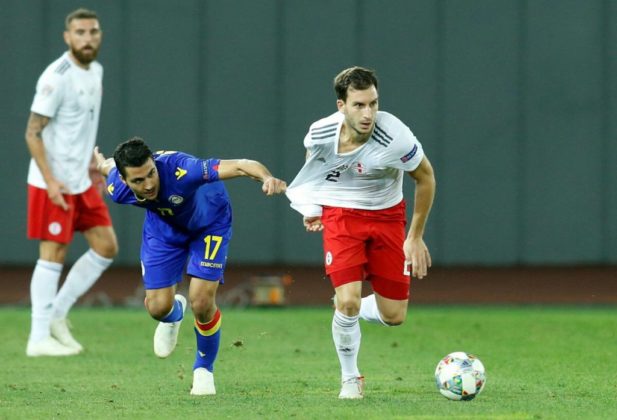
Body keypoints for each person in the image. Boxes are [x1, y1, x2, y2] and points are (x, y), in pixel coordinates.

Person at [286, 66, 436, 399]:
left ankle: (347, 306)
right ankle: (350, 377)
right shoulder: (320, 132)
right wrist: (314, 205)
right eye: (359, 105)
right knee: (349, 300)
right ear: (341, 106)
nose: (368, 114)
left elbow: (426, 178)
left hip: (387, 216)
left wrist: (414, 236)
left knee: (393, 316)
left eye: (373, 104)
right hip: (341, 214)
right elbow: (314, 161)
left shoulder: (395, 137)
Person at [94, 137, 287, 395]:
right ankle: (173, 315)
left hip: (210, 224)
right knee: (158, 308)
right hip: (163, 231)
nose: (148, 184)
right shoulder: (117, 188)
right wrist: (102, 164)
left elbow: (241, 165)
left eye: (151, 173)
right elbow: (108, 167)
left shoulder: (183, 170)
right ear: (124, 179)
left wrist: (266, 177)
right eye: (138, 180)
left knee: (202, 301)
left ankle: (204, 369)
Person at [24, 8, 118, 357]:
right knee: (53, 253)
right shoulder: (56, 77)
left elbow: (81, 126)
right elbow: (32, 133)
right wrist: (50, 181)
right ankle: (38, 338)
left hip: (80, 180)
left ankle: (57, 314)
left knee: (106, 246)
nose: (87, 38)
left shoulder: (96, 71)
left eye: (93, 32)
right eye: (80, 32)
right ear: (67, 37)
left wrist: (90, 167)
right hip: (52, 183)